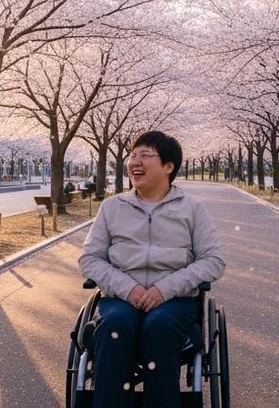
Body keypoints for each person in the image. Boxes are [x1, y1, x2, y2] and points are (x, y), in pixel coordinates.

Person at [79, 131, 225, 408]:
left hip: (175, 300)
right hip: (120, 298)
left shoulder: (192, 209)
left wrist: (164, 289)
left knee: (159, 327)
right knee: (115, 326)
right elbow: (90, 259)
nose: (135, 162)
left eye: (145, 156)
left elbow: (213, 261)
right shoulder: (112, 207)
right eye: (133, 156)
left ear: (169, 166)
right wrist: (128, 288)